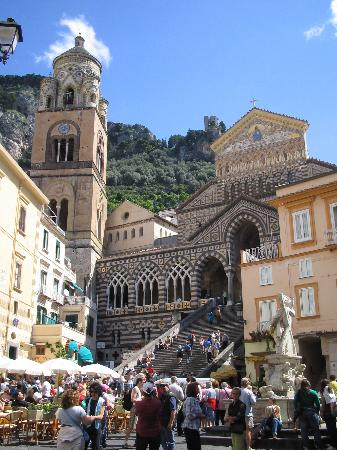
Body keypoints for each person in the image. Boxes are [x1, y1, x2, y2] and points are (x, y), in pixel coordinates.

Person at [294, 378, 321, 450]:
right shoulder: (313, 392)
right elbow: (318, 404)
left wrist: (297, 410)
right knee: (316, 430)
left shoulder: (299, 393)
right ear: (308, 385)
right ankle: (318, 445)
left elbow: (295, 402)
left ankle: (306, 446)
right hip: (312, 413)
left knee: (304, 431)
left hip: (302, 413)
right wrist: (317, 411)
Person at [135, 381, 162, 450]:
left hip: (142, 430)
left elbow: (137, 413)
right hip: (155, 430)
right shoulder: (158, 403)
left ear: (143, 392)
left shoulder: (138, 403)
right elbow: (160, 414)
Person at [123, 374, 146, 449]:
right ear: (139, 381)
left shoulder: (139, 389)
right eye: (143, 381)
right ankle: (125, 442)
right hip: (135, 408)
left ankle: (137, 442)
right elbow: (132, 399)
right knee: (131, 427)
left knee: (136, 426)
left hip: (138, 409)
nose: (144, 382)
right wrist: (141, 399)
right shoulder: (135, 388)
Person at [82, 382, 106, 450]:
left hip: (97, 426)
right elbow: (84, 412)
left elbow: (101, 416)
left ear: (98, 392)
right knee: (84, 445)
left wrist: (92, 418)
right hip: (87, 425)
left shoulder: (102, 401)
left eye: (95, 392)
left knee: (95, 447)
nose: (93, 393)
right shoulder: (87, 400)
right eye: (91, 391)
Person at [182, 382, 205, 450]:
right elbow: (189, 415)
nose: (198, 390)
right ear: (193, 389)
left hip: (193, 427)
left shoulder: (194, 399)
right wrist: (200, 415)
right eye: (197, 388)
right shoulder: (190, 399)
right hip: (190, 428)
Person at [159, 381, 177, 450]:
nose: (163, 387)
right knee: (163, 441)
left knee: (170, 441)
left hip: (168, 421)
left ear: (168, 386)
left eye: (164, 386)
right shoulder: (162, 396)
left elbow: (173, 410)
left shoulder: (171, 396)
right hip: (162, 421)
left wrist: (171, 423)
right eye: (161, 386)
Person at [239, 378, 256, 450]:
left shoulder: (238, 391)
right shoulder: (249, 392)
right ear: (247, 384)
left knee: (240, 431)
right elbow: (253, 402)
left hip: (238, 414)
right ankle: (248, 446)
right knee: (248, 431)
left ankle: (240, 446)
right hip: (247, 413)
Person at [320, 378, 337, 449]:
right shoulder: (331, 391)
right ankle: (333, 444)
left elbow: (323, 404)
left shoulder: (324, 392)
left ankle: (333, 445)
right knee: (333, 429)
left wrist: (321, 413)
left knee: (330, 430)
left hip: (327, 413)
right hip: (333, 412)